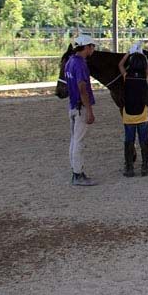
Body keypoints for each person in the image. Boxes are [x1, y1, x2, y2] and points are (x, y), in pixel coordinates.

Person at [65, 34, 98, 186]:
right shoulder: (81, 64)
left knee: (74, 139)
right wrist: (89, 110)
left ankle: (75, 170)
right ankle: (77, 174)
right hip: (81, 106)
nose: (93, 49)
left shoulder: (70, 62)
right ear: (86, 47)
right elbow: (82, 87)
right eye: (92, 46)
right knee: (79, 140)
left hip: (72, 105)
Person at [118, 43, 148, 177]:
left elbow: (120, 65)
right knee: (144, 139)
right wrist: (144, 56)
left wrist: (129, 52)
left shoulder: (127, 77)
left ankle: (129, 168)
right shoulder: (145, 78)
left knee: (129, 140)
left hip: (128, 115)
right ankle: (144, 167)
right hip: (142, 115)